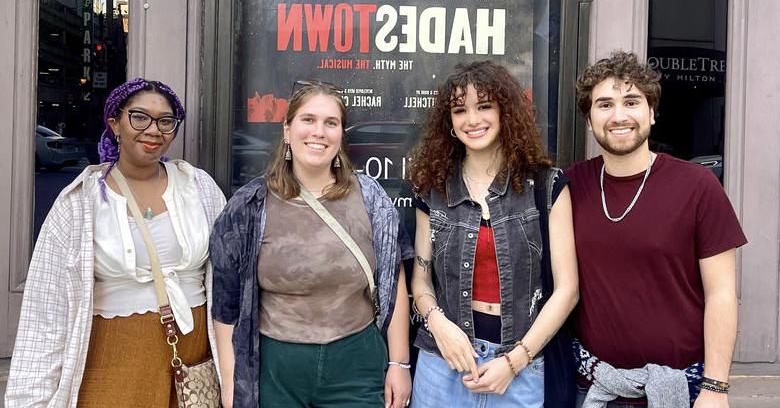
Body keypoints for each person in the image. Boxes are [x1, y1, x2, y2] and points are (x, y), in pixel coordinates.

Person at [5, 78, 227, 407]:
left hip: (192, 363)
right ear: (115, 123)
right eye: (140, 117)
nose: (154, 130)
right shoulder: (80, 202)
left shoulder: (198, 188)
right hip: (113, 361)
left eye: (165, 121)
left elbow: (229, 279)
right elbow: (46, 310)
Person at [209, 80, 412, 408]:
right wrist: (232, 379)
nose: (319, 131)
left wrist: (399, 364)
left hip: (356, 362)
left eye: (331, 123)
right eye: (308, 120)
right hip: (275, 366)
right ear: (287, 130)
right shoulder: (249, 206)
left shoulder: (370, 198)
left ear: (341, 134)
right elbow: (226, 302)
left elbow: (394, 279)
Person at [566, 51, 747, 407]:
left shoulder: (697, 186)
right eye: (604, 105)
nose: (619, 116)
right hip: (593, 387)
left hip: (686, 388)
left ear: (651, 112)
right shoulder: (570, 186)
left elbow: (722, 294)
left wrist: (716, 388)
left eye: (631, 101)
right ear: (589, 120)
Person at [408, 61, 579, 407]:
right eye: (460, 110)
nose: (472, 120)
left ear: (506, 112)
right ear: (450, 123)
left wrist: (515, 361)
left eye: (484, 106)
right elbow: (421, 281)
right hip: (442, 364)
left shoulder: (545, 186)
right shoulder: (433, 188)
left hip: (519, 368)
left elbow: (568, 290)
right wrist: (439, 327)